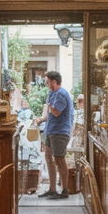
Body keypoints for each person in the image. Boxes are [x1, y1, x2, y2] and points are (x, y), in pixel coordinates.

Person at [38, 70, 74, 199]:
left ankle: (64, 189)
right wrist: (41, 119)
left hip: (60, 131)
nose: (47, 84)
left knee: (59, 159)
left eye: (48, 81)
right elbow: (48, 113)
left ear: (54, 81)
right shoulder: (51, 93)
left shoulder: (61, 94)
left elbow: (57, 112)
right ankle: (52, 188)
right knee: (48, 157)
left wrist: (49, 106)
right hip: (51, 130)